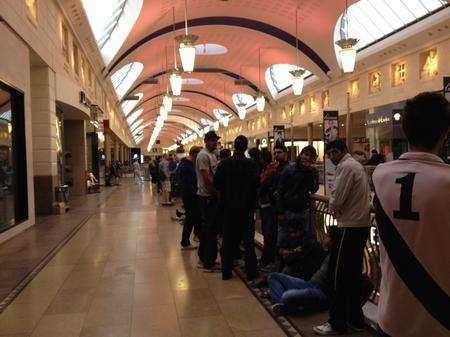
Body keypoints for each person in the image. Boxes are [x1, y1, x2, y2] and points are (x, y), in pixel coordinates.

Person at [372, 92, 450, 337]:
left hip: (392, 317)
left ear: (404, 130)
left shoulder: (381, 175)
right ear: (445, 132)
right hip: (439, 320)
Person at [313, 139, 371, 335]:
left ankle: (336, 322)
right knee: (352, 275)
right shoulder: (357, 166)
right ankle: (355, 319)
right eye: (329, 153)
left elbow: (338, 197)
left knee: (337, 276)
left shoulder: (346, 167)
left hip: (349, 227)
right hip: (360, 225)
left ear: (343, 151)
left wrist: (333, 209)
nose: (332, 156)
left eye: (334, 152)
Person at [267, 228, 374, 317]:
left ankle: (284, 302)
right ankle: (282, 304)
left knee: (287, 295)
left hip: (321, 293)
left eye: (327, 236)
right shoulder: (327, 252)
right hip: (309, 284)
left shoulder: (339, 258)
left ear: (333, 240)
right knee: (273, 276)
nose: (324, 238)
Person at [214, 135, 260, 281]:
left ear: (234, 146)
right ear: (246, 147)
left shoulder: (224, 164)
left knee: (228, 240)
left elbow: (216, 183)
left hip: (228, 208)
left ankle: (226, 272)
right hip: (247, 209)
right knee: (248, 241)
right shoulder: (251, 165)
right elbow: (256, 184)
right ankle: (251, 272)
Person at [276, 146, 319, 245]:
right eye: (306, 154)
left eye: (310, 156)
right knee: (283, 239)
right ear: (301, 154)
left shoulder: (312, 171)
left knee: (302, 240)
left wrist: (309, 172)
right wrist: (280, 211)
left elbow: (313, 189)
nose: (307, 158)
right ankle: (282, 259)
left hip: (303, 210)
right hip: (287, 210)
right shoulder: (289, 169)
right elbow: (280, 191)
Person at [258, 144, 289, 269]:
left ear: (286, 153)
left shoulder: (289, 169)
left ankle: (277, 261)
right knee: (270, 234)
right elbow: (263, 184)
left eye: (279, 152)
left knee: (279, 235)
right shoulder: (272, 168)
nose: (276, 155)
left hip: (281, 207)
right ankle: (270, 260)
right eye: (275, 153)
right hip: (271, 206)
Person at [196, 131, 220, 272]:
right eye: (212, 140)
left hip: (210, 196)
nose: (215, 143)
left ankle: (204, 257)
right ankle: (208, 263)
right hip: (206, 197)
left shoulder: (212, 154)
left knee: (209, 229)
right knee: (209, 230)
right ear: (206, 141)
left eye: (216, 140)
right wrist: (217, 192)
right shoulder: (203, 155)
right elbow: (207, 178)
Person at [178, 146, 202, 249]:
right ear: (195, 155)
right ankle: (185, 242)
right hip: (190, 196)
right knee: (190, 218)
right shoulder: (186, 166)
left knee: (192, 218)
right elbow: (189, 183)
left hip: (189, 194)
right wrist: (196, 193)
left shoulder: (187, 164)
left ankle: (194, 238)